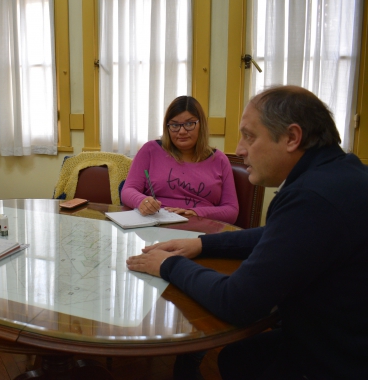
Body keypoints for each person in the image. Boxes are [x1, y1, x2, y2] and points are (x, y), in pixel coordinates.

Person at [126, 85, 368, 379]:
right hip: (336, 335)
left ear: (292, 137)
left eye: (249, 136)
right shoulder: (340, 173)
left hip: (335, 361)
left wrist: (168, 265)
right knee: (238, 357)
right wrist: (202, 244)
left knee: (241, 360)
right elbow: (272, 234)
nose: (240, 149)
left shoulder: (311, 198)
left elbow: (236, 301)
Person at [121, 95, 239, 224]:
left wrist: (195, 213)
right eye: (174, 125)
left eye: (189, 124)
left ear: (201, 125)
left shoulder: (220, 160)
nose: (182, 131)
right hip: (156, 226)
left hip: (201, 230)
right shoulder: (150, 150)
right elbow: (127, 190)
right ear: (167, 127)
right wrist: (142, 201)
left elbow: (231, 211)